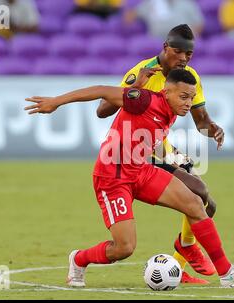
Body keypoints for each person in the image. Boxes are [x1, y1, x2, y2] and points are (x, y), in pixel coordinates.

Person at [24, 68, 234, 288]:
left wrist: (171, 158)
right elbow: (100, 90)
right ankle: (78, 259)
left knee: (194, 203)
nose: (188, 103)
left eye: (191, 98)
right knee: (124, 248)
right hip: (112, 177)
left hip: (140, 170)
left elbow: (147, 135)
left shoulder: (171, 111)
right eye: (183, 97)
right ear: (166, 91)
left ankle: (226, 272)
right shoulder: (142, 100)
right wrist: (56, 101)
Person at [96, 24, 223, 284]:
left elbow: (200, 121)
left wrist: (213, 129)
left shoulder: (190, 77)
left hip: (163, 148)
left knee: (208, 203)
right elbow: (103, 110)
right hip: (138, 151)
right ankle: (185, 251)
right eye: (179, 52)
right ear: (166, 48)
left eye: (189, 54)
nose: (184, 59)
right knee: (198, 192)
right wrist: (138, 83)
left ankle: (180, 259)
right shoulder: (142, 71)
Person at [124, 0, 204, 39]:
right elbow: (131, 16)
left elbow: (199, 24)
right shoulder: (152, 2)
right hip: (156, 42)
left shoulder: (188, 3)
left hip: (181, 40)